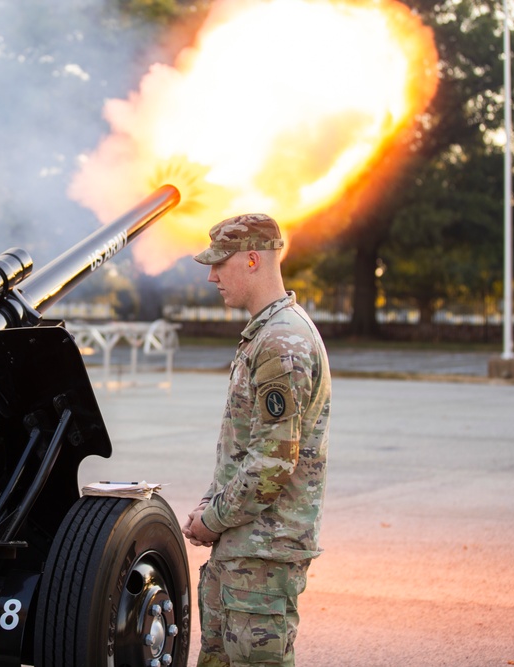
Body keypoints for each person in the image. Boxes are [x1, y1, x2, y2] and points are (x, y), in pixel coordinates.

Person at [181, 213, 331, 667]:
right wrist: (212, 507)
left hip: (262, 557)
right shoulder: (267, 333)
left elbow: (272, 462)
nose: (211, 276)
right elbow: (244, 446)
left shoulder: (282, 341)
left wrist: (212, 518)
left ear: (251, 260)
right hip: (245, 549)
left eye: (219, 264)